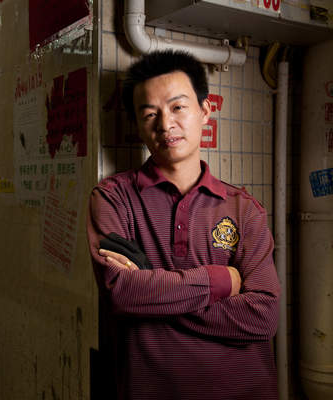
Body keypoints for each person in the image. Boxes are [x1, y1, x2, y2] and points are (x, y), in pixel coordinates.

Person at [86, 50, 280, 400]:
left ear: (205, 111)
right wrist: (221, 280)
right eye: (150, 114)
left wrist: (153, 298)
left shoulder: (245, 209)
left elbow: (264, 315)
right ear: (138, 124)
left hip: (244, 390)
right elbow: (121, 292)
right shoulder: (113, 199)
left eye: (178, 107)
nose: (165, 124)